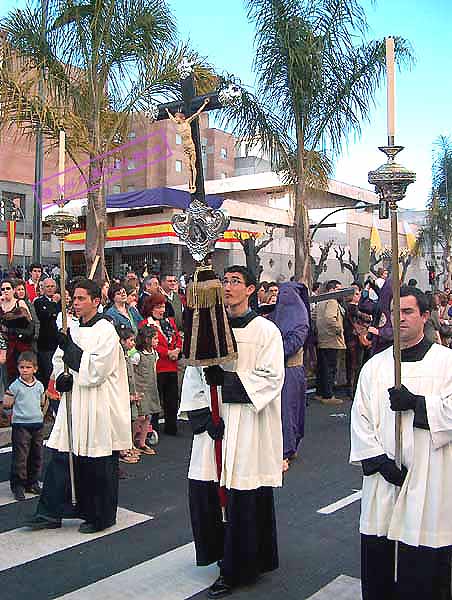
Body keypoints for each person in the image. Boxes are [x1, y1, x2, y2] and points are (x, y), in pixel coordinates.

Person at [179, 265, 284, 598]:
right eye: (225, 281)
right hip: (214, 426)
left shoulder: (265, 331)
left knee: (243, 494)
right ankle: (220, 555)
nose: (228, 286)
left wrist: (225, 382)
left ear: (251, 290)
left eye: (235, 281)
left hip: (247, 424)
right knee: (209, 491)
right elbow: (194, 375)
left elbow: (271, 378)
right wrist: (202, 418)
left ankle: (239, 566)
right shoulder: (209, 329)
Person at [350, 286, 452, 600]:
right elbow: (360, 418)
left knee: (423, 559)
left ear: (425, 316)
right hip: (386, 479)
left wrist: (418, 404)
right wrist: (380, 462)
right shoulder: (375, 367)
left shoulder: (446, 362)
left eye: (408, 312)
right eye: (395, 312)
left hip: (429, 476)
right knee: (382, 555)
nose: (400, 318)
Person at [26, 279, 131, 533]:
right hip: (74, 400)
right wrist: (60, 377)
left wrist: (69, 348)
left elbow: (97, 371)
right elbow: (60, 361)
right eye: (74, 298)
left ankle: (100, 516)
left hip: (98, 403)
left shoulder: (106, 330)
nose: (76, 303)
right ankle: (50, 512)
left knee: (98, 461)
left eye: (82, 298)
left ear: (96, 301)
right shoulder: (72, 327)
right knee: (62, 456)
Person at [269, 282, 310, 471]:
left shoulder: (299, 320)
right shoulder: (278, 314)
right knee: (283, 411)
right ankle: (288, 447)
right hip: (280, 370)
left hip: (291, 370)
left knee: (289, 412)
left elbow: (292, 345)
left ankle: (285, 450)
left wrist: (271, 349)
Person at [4, 351, 45, 501]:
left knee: (37, 454)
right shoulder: (15, 386)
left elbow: (42, 401)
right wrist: (9, 406)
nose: (25, 370)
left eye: (28, 367)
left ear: (35, 369)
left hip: (37, 424)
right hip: (21, 425)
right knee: (21, 456)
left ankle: (32, 482)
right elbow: (7, 402)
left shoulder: (39, 385)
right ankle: (18, 485)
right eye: (22, 367)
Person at [139, 293, 182, 435]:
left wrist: (177, 349)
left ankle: (171, 426)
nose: (161, 310)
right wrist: (167, 353)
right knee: (155, 398)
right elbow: (149, 344)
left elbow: (177, 337)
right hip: (157, 366)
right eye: (158, 307)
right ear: (151, 308)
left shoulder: (170, 321)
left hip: (172, 365)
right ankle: (153, 429)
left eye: (163, 306)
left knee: (172, 398)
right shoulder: (145, 324)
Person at [314, 279, 345, 405]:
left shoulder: (321, 301)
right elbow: (329, 318)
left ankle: (320, 392)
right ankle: (328, 395)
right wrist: (338, 330)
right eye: (338, 289)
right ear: (331, 290)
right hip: (332, 339)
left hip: (322, 338)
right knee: (330, 368)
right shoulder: (332, 301)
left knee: (322, 367)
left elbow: (314, 316)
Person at [132, 326, 161, 455]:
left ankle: (142, 443)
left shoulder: (155, 354)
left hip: (151, 388)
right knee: (139, 416)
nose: (157, 340)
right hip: (140, 389)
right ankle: (131, 442)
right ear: (146, 339)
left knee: (148, 416)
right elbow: (131, 371)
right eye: (155, 338)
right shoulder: (137, 355)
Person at [0, 279, 33, 383]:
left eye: (8, 288)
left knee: (21, 375)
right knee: (6, 377)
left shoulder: (20, 303)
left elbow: (30, 324)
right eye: (3, 289)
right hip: (4, 345)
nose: (5, 291)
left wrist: (12, 330)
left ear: (14, 290)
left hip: (20, 344)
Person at [34, 278, 61, 389]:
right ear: (43, 288)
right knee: (48, 373)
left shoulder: (61, 301)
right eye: (47, 286)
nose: (50, 289)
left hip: (58, 343)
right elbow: (45, 316)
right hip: (45, 344)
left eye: (52, 286)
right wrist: (53, 303)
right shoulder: (39, 302)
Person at [14, 279, 40, 353]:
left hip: (30, 341)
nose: (21, 291)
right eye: (18, 289)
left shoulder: (29, 304)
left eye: (22, 289)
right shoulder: (11, 305)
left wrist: (35, 335)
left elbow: (36, 321)